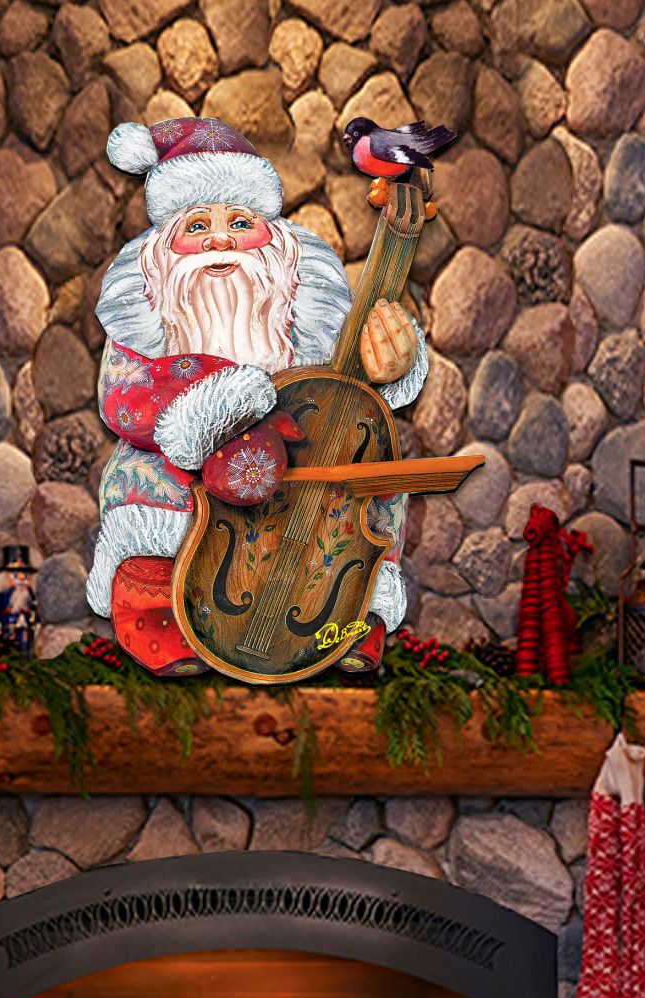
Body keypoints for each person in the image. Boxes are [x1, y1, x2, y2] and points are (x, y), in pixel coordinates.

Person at [87, 117, 429, 675]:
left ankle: (348, 617)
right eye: (197, 226)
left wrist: (390, 361)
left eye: (240, 222)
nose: (220, 240)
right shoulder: (143, 320)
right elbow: (123, 398)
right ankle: (162, 622)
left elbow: (355, 395)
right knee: (144, 481)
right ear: (159, 257)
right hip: (186, 470)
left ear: (280, 249)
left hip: (299, 473)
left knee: (371, 474)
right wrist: (204, 413)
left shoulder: (310, 316)